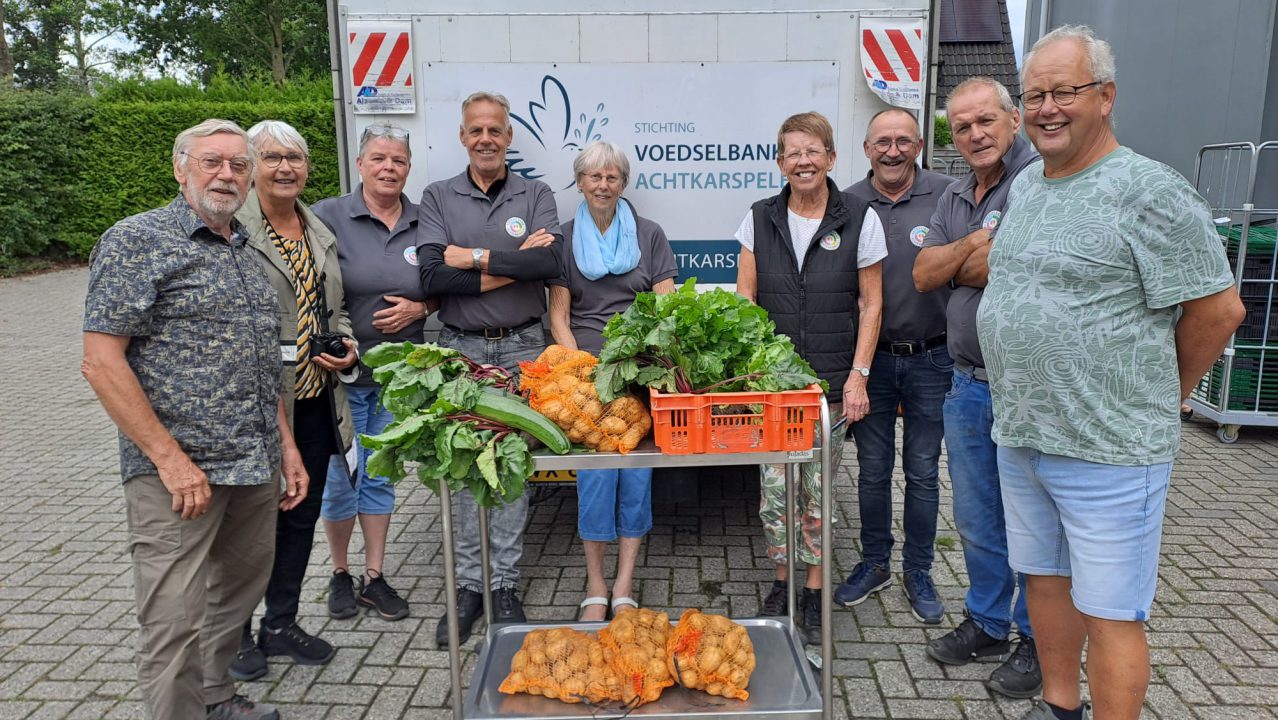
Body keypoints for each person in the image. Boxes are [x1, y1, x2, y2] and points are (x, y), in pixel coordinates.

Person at [978, 26, 1244, 720]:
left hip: (1111, 450)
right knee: (1043, 583)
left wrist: (1162, 397)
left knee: (1112, 612)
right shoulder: (1029, 183)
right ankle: (1059, 704)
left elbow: (1218, 311)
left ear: (1105, 96)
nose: (1046, 108)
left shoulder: (1150, 191)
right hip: (1025, 436)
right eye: (1035, 95)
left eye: (1063, 91)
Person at [81, 118, 307, 720]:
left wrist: (285, 446)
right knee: (174, 619)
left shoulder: (245, 248)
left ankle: (215, 698)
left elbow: (263, 361)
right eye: (212, 162)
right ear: (181, 168)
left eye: (238, 164)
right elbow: (102, 363)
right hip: (177, 474)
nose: (226, 175)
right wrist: (169, 460)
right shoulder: (137, 240)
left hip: (253, 463)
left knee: (237, 594)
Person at [417, 91, 563, 647]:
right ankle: (468, 587)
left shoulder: (537, 192)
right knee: (460, 468)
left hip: (524, 346)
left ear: (509, 137)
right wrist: (510, 264)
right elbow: (433, 277)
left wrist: (471, 256)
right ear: (462, 137)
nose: (485, 139)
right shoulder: (437, 195)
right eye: (475, 130)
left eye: (495, 130)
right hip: (459, 349)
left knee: (511, 468)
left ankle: (503, 583)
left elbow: (548, 263)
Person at [912, 77, 1042, 699]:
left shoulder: (1038, 179)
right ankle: (989, 621)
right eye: (962, 127)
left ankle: (1037, 639)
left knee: (1034, 522)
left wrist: (963, 261)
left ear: (1012, 120)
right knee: (976, 517)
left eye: (985, 121)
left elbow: (1011, 261)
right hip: (967, 382)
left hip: (1027, 389)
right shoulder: (957, 190)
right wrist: (972, 245)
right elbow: (923, 273)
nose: (975, 134)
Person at [735, 111, 885, 646]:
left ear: (830, 157)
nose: (803, 160)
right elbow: (745, 302)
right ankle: (782, 583)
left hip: (829, 384)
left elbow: (871, 304)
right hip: (775, 386)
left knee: (817, 491)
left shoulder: (859, 217)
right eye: (793, 152)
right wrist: (753, 374)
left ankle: (815, 589)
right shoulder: (758, 217)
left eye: (813, 150)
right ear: (780, 162)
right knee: (776, 493)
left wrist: (858, 376)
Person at [229, 120, 360, 682]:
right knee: (245, 525)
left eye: (295, 159)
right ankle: (232, 636)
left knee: (300, 517)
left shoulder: (317, 230)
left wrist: (349, 346)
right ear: (253, 166)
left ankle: (279, 623)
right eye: (273, 158)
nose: (286, 168)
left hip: (315, 401)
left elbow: (336, 304)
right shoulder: (232, 228)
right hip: (257, 406)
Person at [547, 141, 678, 622]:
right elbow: (559, 316)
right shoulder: (562, 239)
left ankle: (624, 584)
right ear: (579, 182)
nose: (603, 185)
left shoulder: (650, 235)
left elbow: (666, 308)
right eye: (594, 177)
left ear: (624, 183)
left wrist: (641, 362)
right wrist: (583, 373)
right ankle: (596, 586)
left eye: (613, 177)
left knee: (636, 478)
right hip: (584, 381)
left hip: (640, 375)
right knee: (596, 480)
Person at [835, 109, 955, 624]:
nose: (892, 150)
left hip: (933, 356)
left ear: (920, 144)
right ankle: (875, 562)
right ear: (866, 148)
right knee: (872, 471)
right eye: (882, 141)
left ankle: (919, 570)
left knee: (925, 473)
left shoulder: (949, 194)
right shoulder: (846, 203)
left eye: (903, 141)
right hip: (871, 363)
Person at [313, 122, 429, 623]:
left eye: (398, 161)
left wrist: (421, 308)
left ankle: (375, 577)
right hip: (339, 377)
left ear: (408, 168)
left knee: (379, 475)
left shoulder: (427, 221)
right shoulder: (326, 216)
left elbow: (448, 279)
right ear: (360, 164)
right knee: (340, 480)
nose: (389, 167)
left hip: (398, 378)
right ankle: (340, 573)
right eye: (379, 158)